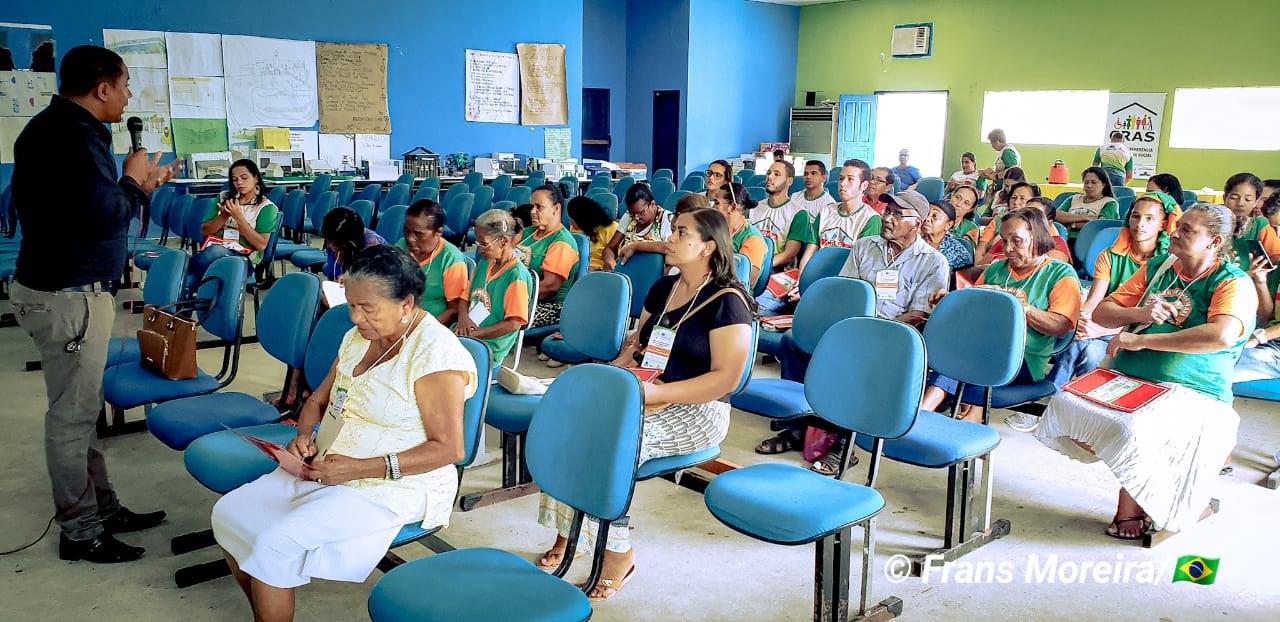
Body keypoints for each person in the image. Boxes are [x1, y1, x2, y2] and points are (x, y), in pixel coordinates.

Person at [213, 244, 478, 621]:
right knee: (231, 512)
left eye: (367, 308)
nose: (355, 317)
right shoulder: (358, 338)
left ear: (406, 303)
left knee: (274, 542)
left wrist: (358, 469)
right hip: (329, 463)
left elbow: (449, 449)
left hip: (397, 483)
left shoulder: (434, 355)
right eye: (351, 304)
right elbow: (316, 402)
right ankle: (266, 605)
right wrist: (304, 436)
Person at [10, 45, 177, 563]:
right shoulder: (78, 137)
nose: (128, 96)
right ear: (102, 88)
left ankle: (102, 507)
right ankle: (81, 531)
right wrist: (134, 180)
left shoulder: (46, 129)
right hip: (69, 297)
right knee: (72, 417)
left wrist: (135, 186)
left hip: (57, 288)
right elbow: (105, 216)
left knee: (82, 414)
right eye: (124, 85)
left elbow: (84, 211)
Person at [537, 207, 754, 601]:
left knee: (610, 447)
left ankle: (618, 554)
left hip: (697, 408)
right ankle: (570, 533)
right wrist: (613, 377)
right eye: (672, 230)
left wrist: (658, 394)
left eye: (681, 232)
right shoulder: (664, 287)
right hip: (646, 390)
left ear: (707, 246)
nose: (669, 238)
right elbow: (637, 346)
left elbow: (726, 378)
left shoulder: (729, 302)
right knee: (571, 426)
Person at [1035, 203, 1255, 539]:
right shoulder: (1161, 267)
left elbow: (1221, 334)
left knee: (1134, 428)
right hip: (1131, 375)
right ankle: (1157, 499)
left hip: (1194, 386)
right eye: (1178, 226)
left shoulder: (1232, 282)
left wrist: (1142, 343)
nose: (1176, 233)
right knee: (1066, 403)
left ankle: (1138, 503)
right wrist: (1142, 314)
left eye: (1188, 230)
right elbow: (1103, 314)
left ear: (1214, 242)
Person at [758, 190, 949, 474]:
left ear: (917, 224)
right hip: (852, 325)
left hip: (895, 336)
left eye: (898, 214)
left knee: (858, 358)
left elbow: (918, 315)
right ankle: (799, 424)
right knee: (793, 343)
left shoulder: (932, 262)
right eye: (887, 211)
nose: (887, 218)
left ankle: (843, 442)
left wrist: (871, 332)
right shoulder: (864, 246)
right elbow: (847, 291)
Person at [1018, 193, 1181, 433]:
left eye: (1149, 218)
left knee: (1091, 351)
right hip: (1103, 322)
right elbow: (1094, 301)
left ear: (1163, 223)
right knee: (1080, 342)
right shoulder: (1109, 255)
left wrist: (1100, 328)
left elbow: (1150, 317)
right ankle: (1067, 413)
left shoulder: (1168, 263)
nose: (1140, 224)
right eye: (1135, 217)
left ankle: (1060, 406)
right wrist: (1082, 322)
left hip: (1139, 330)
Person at [922, 208, 1082, 423]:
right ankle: (932, 418)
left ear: (1037, 237)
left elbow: (1060, 326)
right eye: (1004, 240)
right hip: (979, 350)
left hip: (1023, 359)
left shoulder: (1060, 273)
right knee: (953, 358)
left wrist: (1018, 307)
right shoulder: (996, 268)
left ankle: (921, 416)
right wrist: (951, 301)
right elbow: (971, 312)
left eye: (1017, 240)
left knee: (964, 363)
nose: (1007, 248)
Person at [455, 210, 533, 369]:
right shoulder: (486, 261)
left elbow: (513, 324)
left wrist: (473, 335)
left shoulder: (516, 276)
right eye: (477, 243)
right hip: (467, 331)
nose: (479, 249)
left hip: (490, 343)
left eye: (483, 244)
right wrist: (463, 318)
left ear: (504, 241)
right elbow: (465, 298)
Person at [189, 158, 279, 285]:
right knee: (195, 275)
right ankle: (183, 290)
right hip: (213, 251)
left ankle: (182, 270)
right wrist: (224, 215)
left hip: (244, 258)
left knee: (214, 254)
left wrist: (239, 218)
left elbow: (261, 245)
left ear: (256, 178)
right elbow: (205, 231)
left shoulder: (266, 207)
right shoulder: (223, 197)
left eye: (244, 178)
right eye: (235, 179)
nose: (239, 183)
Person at [395, 199, 468, 324]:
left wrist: (422, 330)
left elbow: (454, 309)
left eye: (418, 234)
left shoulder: (451, 259)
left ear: (438, 232)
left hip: (431, 325)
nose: (410, 239)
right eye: (406, 231)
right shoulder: (400, 247)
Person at [518, 184, 580, 328]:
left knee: (494, 315)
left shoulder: (562, 242)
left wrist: (510, 296)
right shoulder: (528, 233)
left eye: (539, 207)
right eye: (531, 206)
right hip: (520, 296)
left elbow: (549, 287)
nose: (533, 212)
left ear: (556, 209)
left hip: (548, 306)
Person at [1222, 172, 1280, 325]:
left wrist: (1252, 275)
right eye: (1234, 197)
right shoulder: (1214, 224)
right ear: (1224, 197)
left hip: (1250, 294)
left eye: (1248, 199)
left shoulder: (1260, 226)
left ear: (1256, 202)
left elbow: (1275, 262)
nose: (1240, 203)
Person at [800, 159, 882, 263]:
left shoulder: (870, 219)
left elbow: (863, 263)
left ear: (864, 185)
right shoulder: (826, 211)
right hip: (818, 272)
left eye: (850, 179)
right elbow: (810, 252)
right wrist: (801, 278)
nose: (843, 183)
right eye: (841, 178)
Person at [751, 160, 812, 270]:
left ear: (789, 181)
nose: (770, 177)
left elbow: (788, 254)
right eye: (768, 173)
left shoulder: (798, 213)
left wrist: (760, 267)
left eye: (776, 174)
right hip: (752, 263)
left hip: (775, 269)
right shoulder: (755, 207)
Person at [711, 182, 767, 287]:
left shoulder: (752, 238)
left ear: (732, 207)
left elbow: (748, 279)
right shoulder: (717, 230)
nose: (713, 207)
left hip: (733, 293)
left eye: (717, 203)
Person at [607, 183, 673, 266]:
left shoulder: (666, 219)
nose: (636, 217)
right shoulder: (628, 216)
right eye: (632, 213)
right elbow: (610, 248)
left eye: (641, 213)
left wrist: (636, 246)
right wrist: (609, 261)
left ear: (652, 204)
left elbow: (672, 247)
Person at [320, 207, 387, 281]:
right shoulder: (333, 236)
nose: (331, 246)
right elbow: (333, 276)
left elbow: (373, 285)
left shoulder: (372, 248)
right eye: (329, 241)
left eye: (337, 244)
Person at [1057, 166, 1120, 240]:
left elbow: (1100, 225)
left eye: (1094, 182)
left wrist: (1071, 223)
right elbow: (1056, 215)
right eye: (1086, 182)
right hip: (1064, 238)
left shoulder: (1109, 203)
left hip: (1090, 241)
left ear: (1103, 184)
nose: (1089, 186)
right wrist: (1085, 217)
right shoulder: (1074, 198)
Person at [567, 195, 619, 271]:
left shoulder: (611, 228)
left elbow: (615, 261)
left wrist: (598, 269)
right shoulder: (574, 229)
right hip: (576, 269)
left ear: (582, 220)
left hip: (600, 272)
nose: (571, 223)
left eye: (573, 220)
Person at [922, 200, 974, 271]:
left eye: (935, 216)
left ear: (948, 225)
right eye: (927, 214)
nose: (927, 219)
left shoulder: (958, 253)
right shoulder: (912, 239)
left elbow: (963, 278)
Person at [980, 128, 1021, 204]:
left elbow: (1012, 170)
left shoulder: (1007, 152)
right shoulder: (1004, 151)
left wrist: (996, 176)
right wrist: (993, 171)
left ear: (997, 141)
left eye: (992, 143)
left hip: (1006, 190)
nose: (992, 146)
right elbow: (1003, 167)